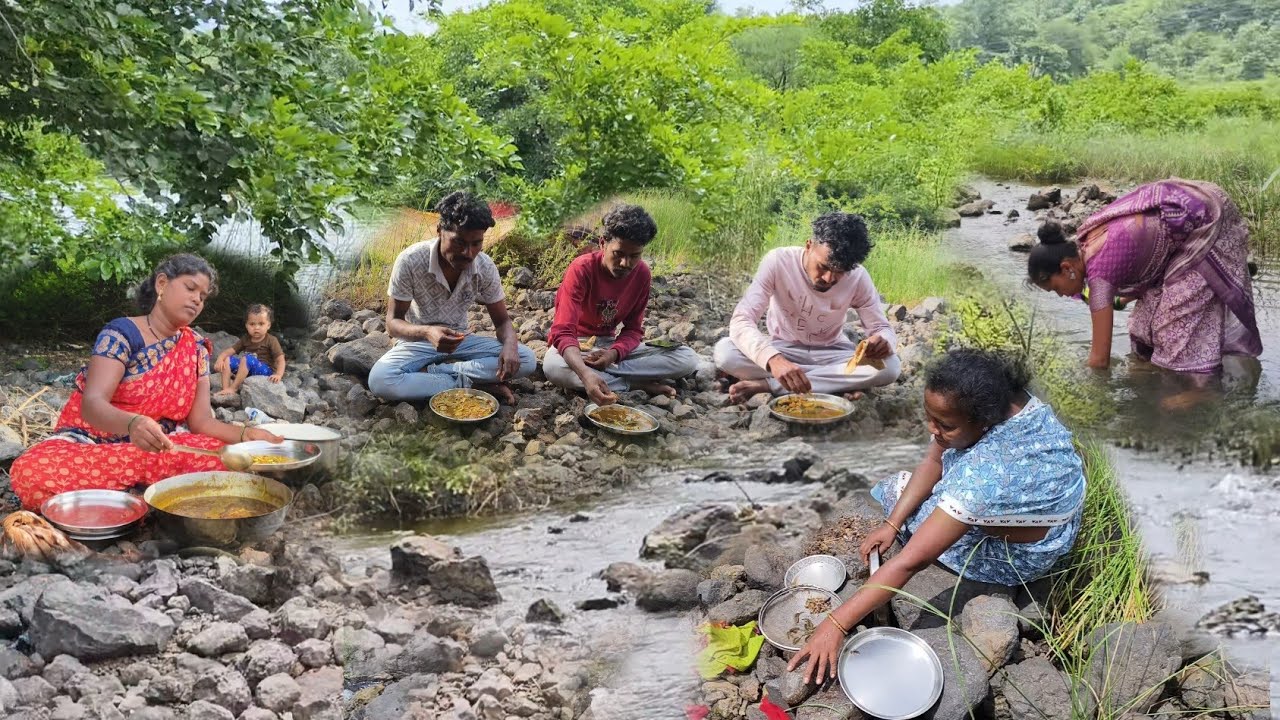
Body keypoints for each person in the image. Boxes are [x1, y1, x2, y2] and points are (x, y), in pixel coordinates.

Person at [787, 349, 1086, 683]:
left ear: (983, 420)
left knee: (914, 507)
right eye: (929, 416)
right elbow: (934, 459)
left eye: (945, 425)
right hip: (1052, 518)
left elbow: (911, 562)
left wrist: (835, 624)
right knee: (909, 498)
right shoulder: (1010, 399)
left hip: (1022, 555)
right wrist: (891, 522)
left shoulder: (984, 474)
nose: (932, 429)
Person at [9, 254, 283, 511]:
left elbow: (201, 423)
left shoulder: (196, 348)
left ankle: (128, 499)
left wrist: (247, 436)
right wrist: (132, 424)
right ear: (162, 283)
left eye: (203, 296)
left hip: (161, 447)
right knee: (31, 473)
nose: (197, 300)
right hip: (91, 445)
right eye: (190, 288)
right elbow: (92, 404)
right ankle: (153, 497)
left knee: (234, 460)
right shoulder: (121, 333)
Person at [1028, 179, 1262, 373]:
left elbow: (1099, 361)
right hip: (1183, 218)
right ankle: (1154, 371)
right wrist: (1123, 301)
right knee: (1143, 326)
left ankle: (1200, 389)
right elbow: (1137, 262)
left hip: (1205, 220)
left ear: (1067, 268)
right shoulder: (1085, 242)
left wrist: (1080, 385)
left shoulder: (1099, 278)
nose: (1061, 295)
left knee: (1173, 330)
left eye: (1055, 288)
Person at [368, 191, 536, 404]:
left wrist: (511, 345)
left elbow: (502, 321)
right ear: (439, 231)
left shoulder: (485, 266)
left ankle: (437, 373)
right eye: (458, 242)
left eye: (476, 243)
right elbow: (392, 324)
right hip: (417, 343)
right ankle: (473, 383)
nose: (467, 252)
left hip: (461, 342)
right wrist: (428, 332)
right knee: (380, 380)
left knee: (526, 359)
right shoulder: (410, 261)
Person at [713, 212, 901, 403]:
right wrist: (774, 360)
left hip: (833, 354)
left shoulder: (859, 277)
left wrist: (884, 341)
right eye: (823, 267)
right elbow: (742, 319)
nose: (829, 278)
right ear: (809, 245)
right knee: (725, 352)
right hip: (784, 348)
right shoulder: (778, 261)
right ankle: (832, 385)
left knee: (890, 366)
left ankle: (771, 385)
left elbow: (881, 328)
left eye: (840, 272)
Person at [543, 205, 700, 405]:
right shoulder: (581, 269)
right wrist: (584, 372)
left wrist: (613, 354)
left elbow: (633, 330)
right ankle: (634, 383)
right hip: (575, 346)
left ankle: (609, 379)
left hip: (610, 347)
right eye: (618, 254)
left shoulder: (642, 274)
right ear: (602, 244)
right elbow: (563, 331)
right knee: (553, 367)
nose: (626, 263)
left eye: (635, 256)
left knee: (686, 357)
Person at [214, 304, 286, 397]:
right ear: (246, 325)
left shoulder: (271, 340)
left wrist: (278, 375)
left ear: (268, 325)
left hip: (265, 372)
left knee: (247, 358)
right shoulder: (245, 339)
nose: (256, 328)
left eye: (261, 324)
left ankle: (234, 388)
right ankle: (225, 389)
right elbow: (229, 351)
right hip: (247, 369)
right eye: (252, 324)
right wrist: (220, 359)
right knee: (227, 359)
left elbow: (280, 359)